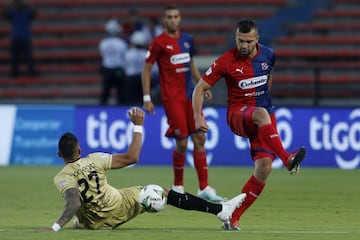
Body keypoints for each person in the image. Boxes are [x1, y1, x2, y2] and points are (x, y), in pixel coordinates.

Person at [41, 107, 246, 232]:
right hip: (119, 207)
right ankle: (220, 210)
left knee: (83, 216)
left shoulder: (61, 178)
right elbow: (133, 157)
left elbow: (74, 201)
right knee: (161, 191)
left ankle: (81, 223)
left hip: (94, 223)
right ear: (79, 149)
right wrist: (138, 125)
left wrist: (55, 227)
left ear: (60, 155)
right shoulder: (94, 159)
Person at [192, 18, 306, 230]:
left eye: (248, 41)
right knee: (261, 114)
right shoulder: (226, 61)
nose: (243, 46)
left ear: (257, 40)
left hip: (262, 116)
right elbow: (199, 88)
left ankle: (232, 217)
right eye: (240, 40)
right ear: (236, 38)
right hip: (238, 116)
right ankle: (288, 159)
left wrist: (265, 100)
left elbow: (268, 78)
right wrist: (198, 117)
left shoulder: (269, 55)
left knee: (264, 168)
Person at [141, 5, 223, 202]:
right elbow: (146, 70)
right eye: (169, 16)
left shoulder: (187, 39)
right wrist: (146, 98)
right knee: (182, 143)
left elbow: (191, 64)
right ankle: (178, 186)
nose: (172, 20)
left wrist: (202, 84)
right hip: (172, 99)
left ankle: (204, 187)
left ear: (179, 19)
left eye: (175, 16)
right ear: (164, 20)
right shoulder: (157, 43)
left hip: (190, 96)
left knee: (200, 139)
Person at [4, 0, 37, 77]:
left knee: (25, 57)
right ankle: (16, 72)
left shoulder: (24, 12)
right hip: (20, 37)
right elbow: (4, 14)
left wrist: (10, 5)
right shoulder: (14, 12)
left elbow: (34, 13)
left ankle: (27, 72)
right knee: (18, 57)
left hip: (20, 37)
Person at [99, 18, 127, 105]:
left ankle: (102, 105)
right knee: (120, 89)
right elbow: (123, 57)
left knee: (106, 90)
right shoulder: (121, 43)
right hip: (118, 69)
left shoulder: (103, 43)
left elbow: (103, 55)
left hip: (107, 69)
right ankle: (121, 106)